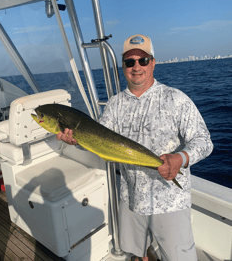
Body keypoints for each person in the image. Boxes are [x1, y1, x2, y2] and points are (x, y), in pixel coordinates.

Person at [56, 34, 213, 261]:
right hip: (131, 199)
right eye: (130, 62)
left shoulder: (175, 98)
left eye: (143, 60)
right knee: (137, 257)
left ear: (153, 62)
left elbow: (204, 141)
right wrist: (76, 140)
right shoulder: (114, 104)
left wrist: (180, 158)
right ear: (123, 66)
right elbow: (96, 142)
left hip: (170, 201)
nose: (136, 67)